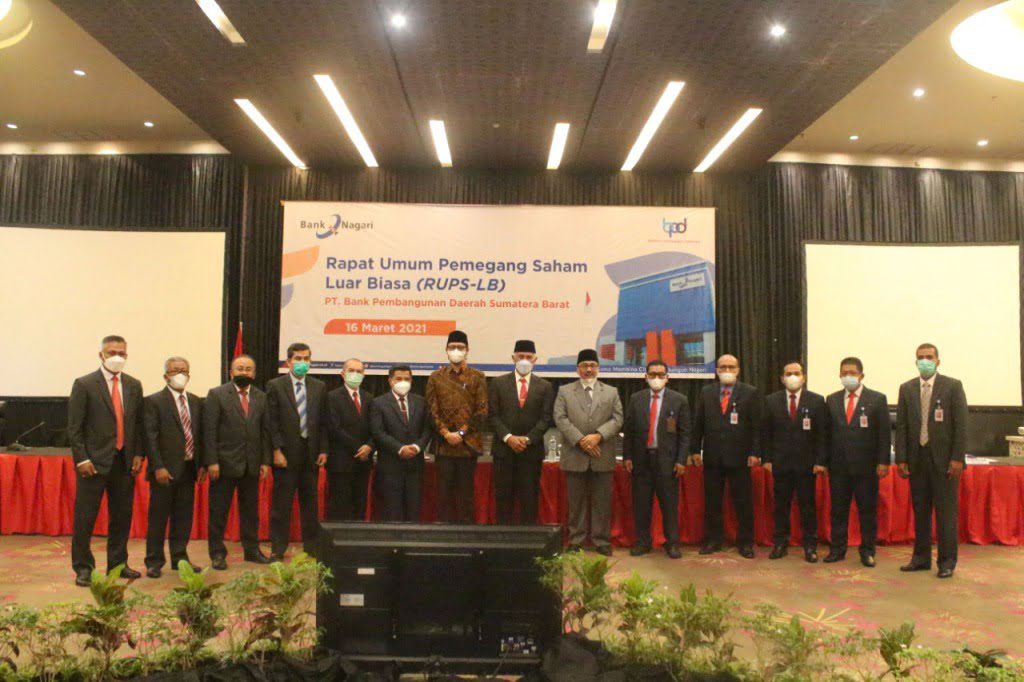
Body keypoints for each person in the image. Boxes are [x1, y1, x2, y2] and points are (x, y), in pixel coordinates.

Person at [68, 335, 145, 586]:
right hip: (93, 462)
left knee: (121, 517)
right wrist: (82, 458)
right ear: (101, 355)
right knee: (85, 518)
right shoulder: (84, 384)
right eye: (112, 352)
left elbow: (138, 424)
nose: (117, 357)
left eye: (121, 353)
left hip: (124, 462)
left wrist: (138, 453)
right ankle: (83, 568)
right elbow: (75, 427)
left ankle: (118, 564)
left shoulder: (134, 385)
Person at [895, 343, 968, 579]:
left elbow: (961, 425)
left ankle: (946, 562)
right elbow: (902, 426)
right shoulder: (906, 388)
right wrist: (902, 458)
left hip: (945, 461)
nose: (924, 361)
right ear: (915, 362)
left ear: (938, 361)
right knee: (921, 512)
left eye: (929, 357)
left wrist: (957, 458)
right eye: (920, 357)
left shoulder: (952, 386)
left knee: (946, 515)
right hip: (917, 459)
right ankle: (920, 558)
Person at [689, 354, 761, 558]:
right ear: (717, 371)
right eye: (723, 367)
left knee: (743, 502)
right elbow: (698, 423)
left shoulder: (750, 393)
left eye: (731, 367)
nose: (727, 370)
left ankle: (745, 542)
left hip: (740, 457)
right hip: (713, 456)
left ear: (738, 370)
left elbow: (756, 427)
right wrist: (694, 450)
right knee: (712, 502)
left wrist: (755, 452)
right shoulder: (706, 392)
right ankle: (713, 540)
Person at [203, 355, 272, 570]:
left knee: (250, 512)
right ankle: (217, 554)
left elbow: (265, 432)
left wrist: (265, 461)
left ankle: (251, 551)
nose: (244, 372)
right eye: (240, 368)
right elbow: (209, 430)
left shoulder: (261, 397)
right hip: (223, 465)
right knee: (218, 512)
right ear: (231, 372)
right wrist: (211, 461)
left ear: (254, 373)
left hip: (252, 464)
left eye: (248, 369)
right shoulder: (217, 394)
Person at [553, 349, 624, 555]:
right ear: (577, 369)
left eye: (592, 365)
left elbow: (618, 419)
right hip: (575, 454)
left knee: (602, 502)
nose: (589, 369)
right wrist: (581, 440)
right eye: (584, 366)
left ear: (598, 368)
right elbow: (560, 418)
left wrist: (598, 436)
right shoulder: (565, 391)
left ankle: (602, 541)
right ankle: (576, 540)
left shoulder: (611, 392)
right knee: (576, 502)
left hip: (602, 454)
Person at [824, 357, 891, 567]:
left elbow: (884, 434)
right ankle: (837, 549)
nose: (848, 376)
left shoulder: (877, 399)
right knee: (838, 510)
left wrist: (883, 462)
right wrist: (824, 461)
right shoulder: (832, 399)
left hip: (866, 467)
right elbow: (826, 434)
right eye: (844, 373)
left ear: (861, 375)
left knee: (867, 511)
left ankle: (867, 551)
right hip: (839, 467)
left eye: (852, 373)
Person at [143, 356, 204, 578]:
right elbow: (150, 437)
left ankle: (180, 558)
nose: (180, 374)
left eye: (184, 370)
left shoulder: (196, 401)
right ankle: (154, 561)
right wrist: (158, 466)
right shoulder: (153, 401)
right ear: (165, 376)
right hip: (164, 471)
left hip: (188, 468)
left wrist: (202, 464)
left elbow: (200, 435)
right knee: (158, 518)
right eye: (175, 370)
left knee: (183, 518)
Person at [623, 360, 690, 559]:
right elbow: (629, 431)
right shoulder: (636, 399)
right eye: (652, 374)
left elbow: (685, 434)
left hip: (668, 462)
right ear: (645, 377)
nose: (656, 378)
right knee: (642, 505)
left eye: (661, 375)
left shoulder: (679, 400)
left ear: (667, 378)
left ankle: (672, 543)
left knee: (669, 506)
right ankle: (643, 542)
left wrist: (681, 460)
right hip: (641, 460)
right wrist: (627, 456)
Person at [761, 362, 828, 563]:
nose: (792, 377)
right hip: (780, 463)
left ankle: (810, 545)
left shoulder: (816, 400)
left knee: (808, 506)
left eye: (796, 373)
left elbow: (822, 435)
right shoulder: (770, 401)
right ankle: (780, 543)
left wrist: (820, 461)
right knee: (781, 506)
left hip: (807, 465)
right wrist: (767, 459)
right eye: (788, 373)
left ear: (803, 377)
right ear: (782, 378)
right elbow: (766, 433)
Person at [267, 342, 327, 560]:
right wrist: (276, 450)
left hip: (310, 455)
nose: (303, 362)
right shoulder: (275, 385)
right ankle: (278, 548)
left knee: (310, 505)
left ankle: (311, 546)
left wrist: (323, 450)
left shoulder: (319, 386)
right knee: (281, 505)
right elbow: (271, 422)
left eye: (306, 359)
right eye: (298, 359)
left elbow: (323, 422)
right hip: (285, 455)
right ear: (288, 362)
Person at [488, 340, 554, 524]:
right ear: (513, 358)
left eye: (528, 357)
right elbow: (492, 415)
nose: (524, 360)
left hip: (530, 452)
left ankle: (529, 538)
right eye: (521, 356)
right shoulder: (498, 383)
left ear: (535, 359)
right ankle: (503, 538)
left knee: (529, 500)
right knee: (503, 500)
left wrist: (527, 439)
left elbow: (546, 418)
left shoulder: (545, 386)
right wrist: (508, 438)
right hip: (503, 451)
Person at [426, 330, 488, 523]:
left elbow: (482, 410)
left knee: (465, 496)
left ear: (467, 350)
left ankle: (466, 535)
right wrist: (446, 433)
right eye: (452, 347)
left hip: (468, 446)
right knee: (442, 495)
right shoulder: (436, 377)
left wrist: (461, 433)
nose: (456, 351)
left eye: (460, 347)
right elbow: (431, 410)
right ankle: (441, 535)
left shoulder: (477, 377)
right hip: (443, 446)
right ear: (446, 350)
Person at [369, 365, 432, 521]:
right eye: (398, 379)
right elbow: (378, 431)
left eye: (407, 379)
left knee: (413, 511)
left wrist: (417, 447)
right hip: (390, 466)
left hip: (415, 466)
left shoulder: (421, 401)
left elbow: (427, 429)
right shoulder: (378, 403)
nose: (403, 382)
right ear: (390, 381)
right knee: (392, 512)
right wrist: (400, 448)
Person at [325, 358, 375, 521]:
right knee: (339, 506)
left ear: (364, 375)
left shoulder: (369, 398)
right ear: (342, 374)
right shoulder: (332, 397)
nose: (355, 374)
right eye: (351, 371)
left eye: (359, 371)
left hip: (364, 462)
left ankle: (358, 536)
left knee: (359, 505)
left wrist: (369, 446)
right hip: (341, 461)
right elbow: (334, 428)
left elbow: (376, 427)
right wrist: (359, 448)